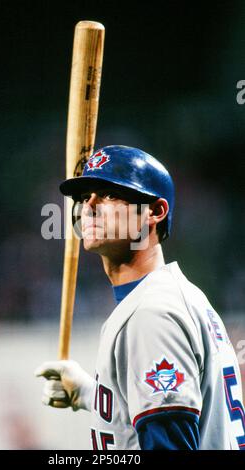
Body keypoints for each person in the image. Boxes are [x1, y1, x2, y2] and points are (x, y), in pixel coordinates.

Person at [35, 145, 245, 450]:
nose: (88, 206)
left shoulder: (152, 312)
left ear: (155, 212)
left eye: (108, 194)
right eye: (83, 197)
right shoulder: (179, 296)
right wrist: (90, 394)